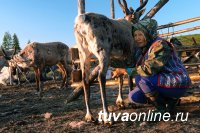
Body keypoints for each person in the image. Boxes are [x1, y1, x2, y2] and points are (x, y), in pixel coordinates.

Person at [127, 18, 191, 114]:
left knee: (140, 77)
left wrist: (126, 71)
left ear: (149, 33)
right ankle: (169, 102)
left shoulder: (160, 45)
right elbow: (130, 62)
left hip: (178, 80)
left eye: (140, 34)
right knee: (134, 96)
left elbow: (149, 69)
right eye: (135, 35)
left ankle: (162, 108)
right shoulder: (144, 48)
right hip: (163, 80)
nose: (137, 38)